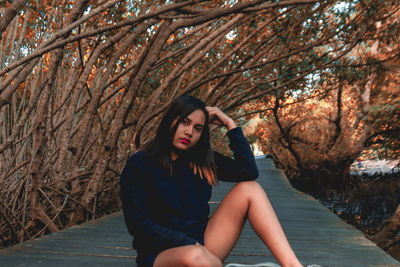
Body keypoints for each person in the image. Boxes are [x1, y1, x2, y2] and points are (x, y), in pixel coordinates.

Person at [120, 95, 303, 267]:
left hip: (202, 244)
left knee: (250, 189)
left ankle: (293, 265)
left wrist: (230, 125)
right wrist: (188, 243)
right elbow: (138, 224)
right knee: (195, 255)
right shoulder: (141, 163)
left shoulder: (201, 160)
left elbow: (249, 172)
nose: (189, 132)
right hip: (160, 255)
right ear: (171, 120)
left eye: (198, 128)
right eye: (185, 122)